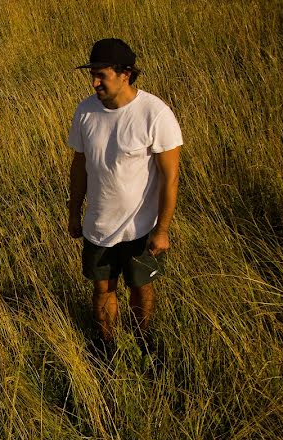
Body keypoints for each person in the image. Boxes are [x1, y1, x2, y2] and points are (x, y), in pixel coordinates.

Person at [66, 38, 182, 359]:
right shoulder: (86, 111)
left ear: (125, 74)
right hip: (98, 226)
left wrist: (162, 229)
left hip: (140, 229)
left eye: (101, 74)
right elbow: (79, 167)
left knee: (141, 287)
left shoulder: (154, 114)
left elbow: (170, 177)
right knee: (102, 288)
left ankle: (144, 343)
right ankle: (106, 347)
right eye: (92, 74)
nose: (94, 82)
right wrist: (75, 213)